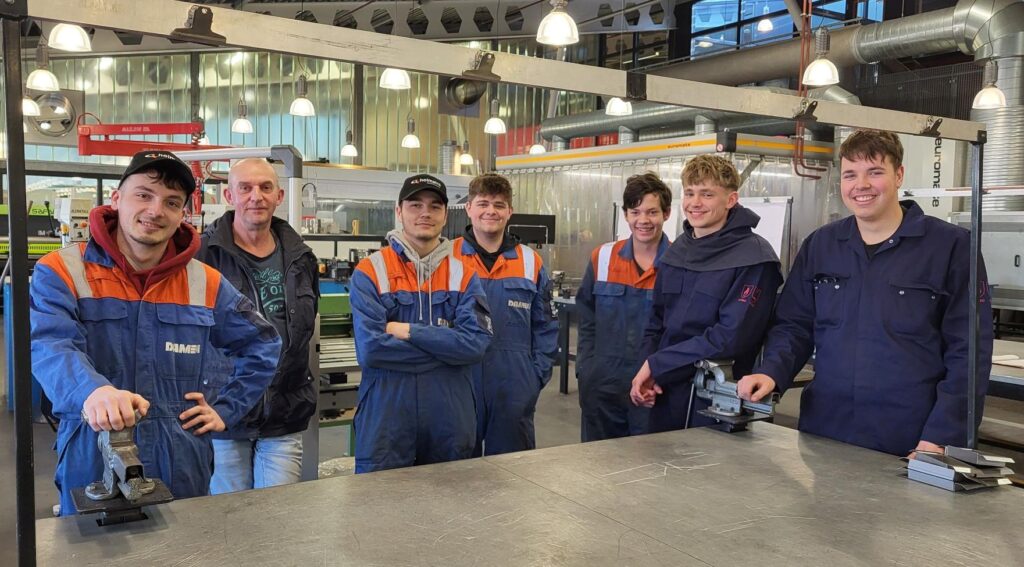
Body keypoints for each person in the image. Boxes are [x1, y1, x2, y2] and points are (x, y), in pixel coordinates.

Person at [30, 150, 281, 515]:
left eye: (171, 202)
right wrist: (92, 391)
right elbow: (51, 344)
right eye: (144, 195)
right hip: (92, 444)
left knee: (183, 550)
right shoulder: (64, 270)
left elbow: (262, 343)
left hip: (180, 451)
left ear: (183, 214)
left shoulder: (204, 281)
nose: (155, 210)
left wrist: (226, 409)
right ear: (116, 199)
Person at [738, 129, 993, 457]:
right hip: (826, 428)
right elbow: (794, 325)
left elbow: (969, 353)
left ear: (899, 174)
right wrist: (771, 371)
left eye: (875, 172)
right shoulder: (822, 245)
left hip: (910, 437)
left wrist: (941, 435)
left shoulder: (952, 247)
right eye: (850, 174)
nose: (861, 185)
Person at [349, 174, 493, 473]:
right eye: (415, 205)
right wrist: (445, 347)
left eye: (435, 206)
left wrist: (409, 331)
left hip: (450, 418)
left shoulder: (464, 274)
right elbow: (372, 350)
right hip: (386, 417)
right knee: (379, 505)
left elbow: (475, 345)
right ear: (399, 211)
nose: (425, 213)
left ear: (444, 216)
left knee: (450, 507)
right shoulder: (370, 272)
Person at [630, 155, 782, 431]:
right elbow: (656, 322)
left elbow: (730, 337)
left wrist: (657, 364)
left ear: (731, 200)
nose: (695, 203)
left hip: (721, 400)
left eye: (707, 194)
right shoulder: (676, 252)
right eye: (689, 193)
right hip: (666, 393)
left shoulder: (755, 258)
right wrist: (647, 370)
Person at [196, 158, 319, 494]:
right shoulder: (202, 256)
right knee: (228, 519)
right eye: (245, 188)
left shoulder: (301, 257)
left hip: (283, 411)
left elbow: (303, 330)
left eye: (265, 187)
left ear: (279, 195)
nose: (256, 196)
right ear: (228, 195)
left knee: (278, 518)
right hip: (223, 411)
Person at [452, 173, 558, 456]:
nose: (491, 211)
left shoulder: (529, 260)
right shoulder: (447, 258)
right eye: (483, 203)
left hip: (514, 387)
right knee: (456, 473)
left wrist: (534, 378)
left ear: (509, 211)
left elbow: (545, 325)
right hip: (460, 384)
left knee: (514, 476)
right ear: (469, 208)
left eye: (499, 205)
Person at [575, 172, 672, 442]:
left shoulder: (678, 264)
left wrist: (662, 379)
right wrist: (586, 371)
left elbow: (679, 331)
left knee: (647, 467)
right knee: (598, 466)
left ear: (667, 213)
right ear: (626, 215)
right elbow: (587, 319)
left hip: (653, 389)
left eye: (652, 212)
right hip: (602, 386)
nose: (643, 220)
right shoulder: (602, 257)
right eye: (635, 211)